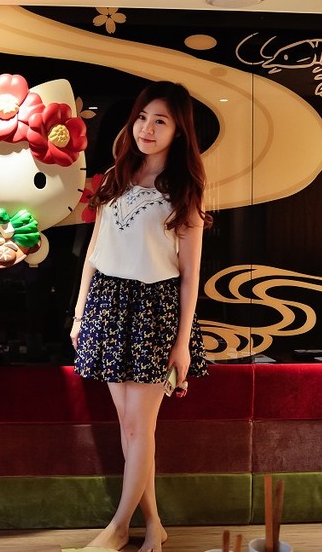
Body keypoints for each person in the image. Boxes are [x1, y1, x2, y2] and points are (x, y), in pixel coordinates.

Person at [70, 81, 212, 552]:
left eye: (160, 121)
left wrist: (182, 343)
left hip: (155, 309)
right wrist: (79, 312)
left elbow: (190, 276)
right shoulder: (116, 175)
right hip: (107, 303)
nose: (146, 128)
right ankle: (153, 524)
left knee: (139, 427)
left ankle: (117, 529)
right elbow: (94, 250)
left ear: (178, 131)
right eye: (142, 118)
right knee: (129, 428)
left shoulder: (185, 191)